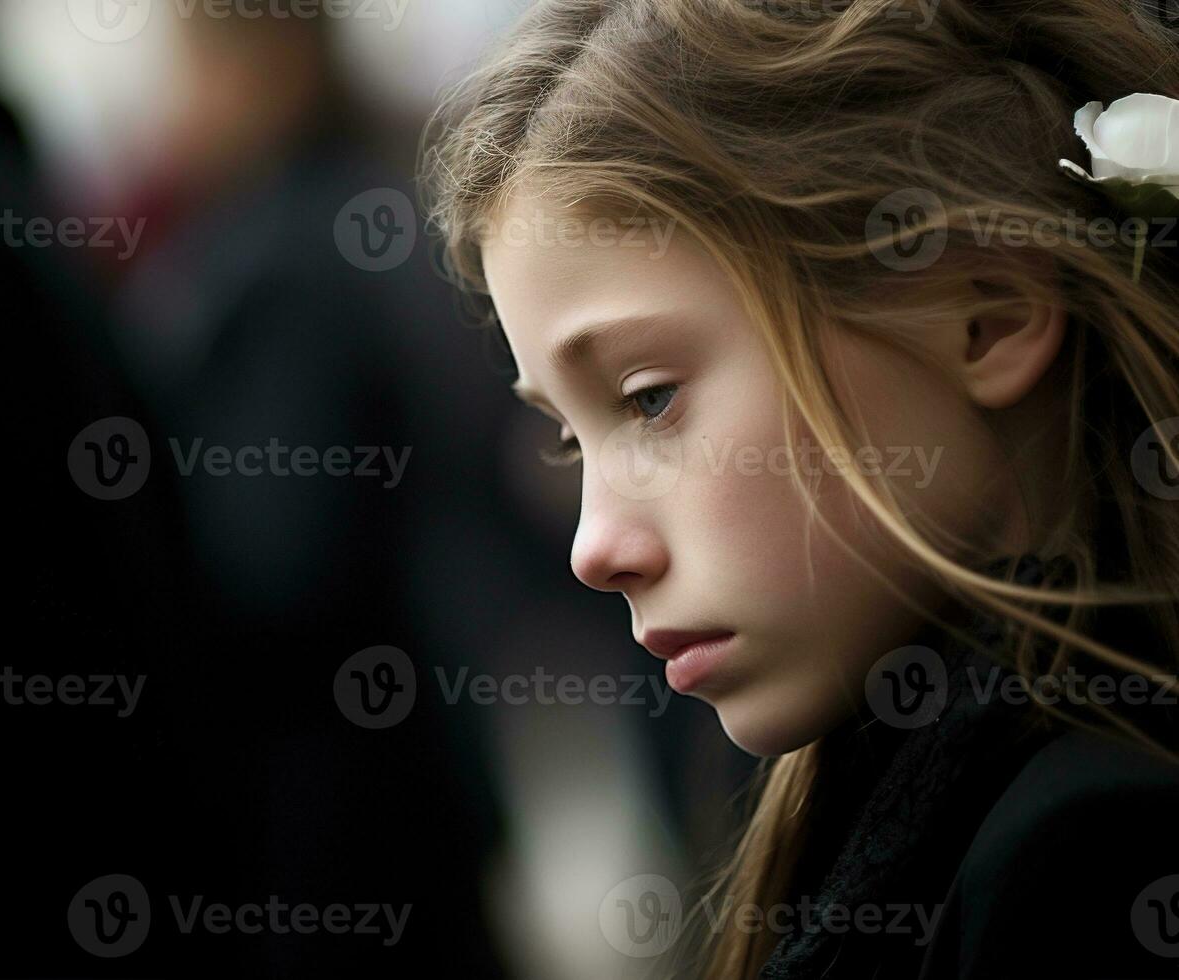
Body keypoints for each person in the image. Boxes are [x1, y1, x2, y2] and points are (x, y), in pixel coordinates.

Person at [421, 0, 1179, 977]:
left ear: (988, 317)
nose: (594, 547)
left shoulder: (1087, 859)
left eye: (649, 400)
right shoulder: (902, 792)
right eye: (569, 437)